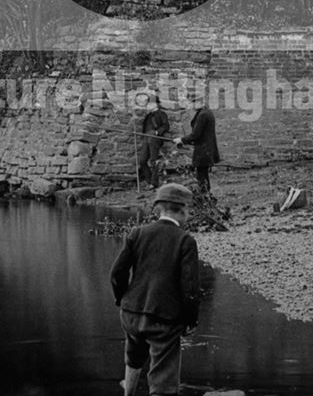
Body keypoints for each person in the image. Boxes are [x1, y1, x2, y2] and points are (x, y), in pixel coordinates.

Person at [110, 182, 201, 396]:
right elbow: (190, 288)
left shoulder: (137, 232)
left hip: (131, 313)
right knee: (163, 379)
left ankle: (128, 394)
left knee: (134, 356)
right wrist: (191, 320)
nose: (188, 215)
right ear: (182, 210)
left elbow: (117, 273)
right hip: (163, 318)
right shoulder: (185, 240)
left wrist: (122, 300)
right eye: (188, 210)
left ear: (160, 208)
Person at [175, 98, 220, 192]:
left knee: (202, 174)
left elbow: (196, 134)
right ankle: (205, 195)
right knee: (203, 174)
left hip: (203, 149)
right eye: (192, 102)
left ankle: (205, 196)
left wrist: (181, 140)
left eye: (194, 103)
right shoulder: (207, 112)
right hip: (207, 148)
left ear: (201, 103)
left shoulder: (203, 115)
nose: (192, 105)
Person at [136, 92, 171, 189]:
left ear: (155, 104)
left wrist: (157, 132)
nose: (148, 106)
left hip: (155, 139)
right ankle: (149, 180)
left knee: (153, 161)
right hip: (146, 139)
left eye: (150, 104)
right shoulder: (148, 116)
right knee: (142, 161)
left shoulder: (161, 114)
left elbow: (166, 126)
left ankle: (154, 183)